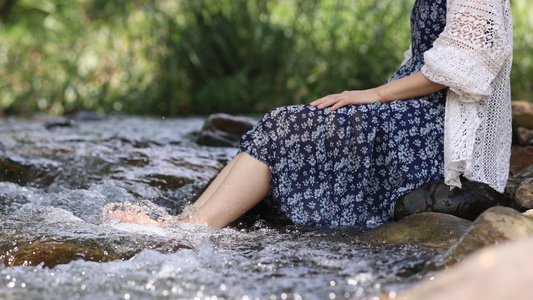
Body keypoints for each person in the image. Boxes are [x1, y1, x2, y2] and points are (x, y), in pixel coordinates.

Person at [103, 0, 513, 229]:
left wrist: (372, 95)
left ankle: (191, 229)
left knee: (288, 125)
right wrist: (372, 101)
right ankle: (187, 220)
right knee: (278, 122)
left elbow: (462, 64)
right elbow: (423, 59)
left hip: (438, 131)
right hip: (414, 114)